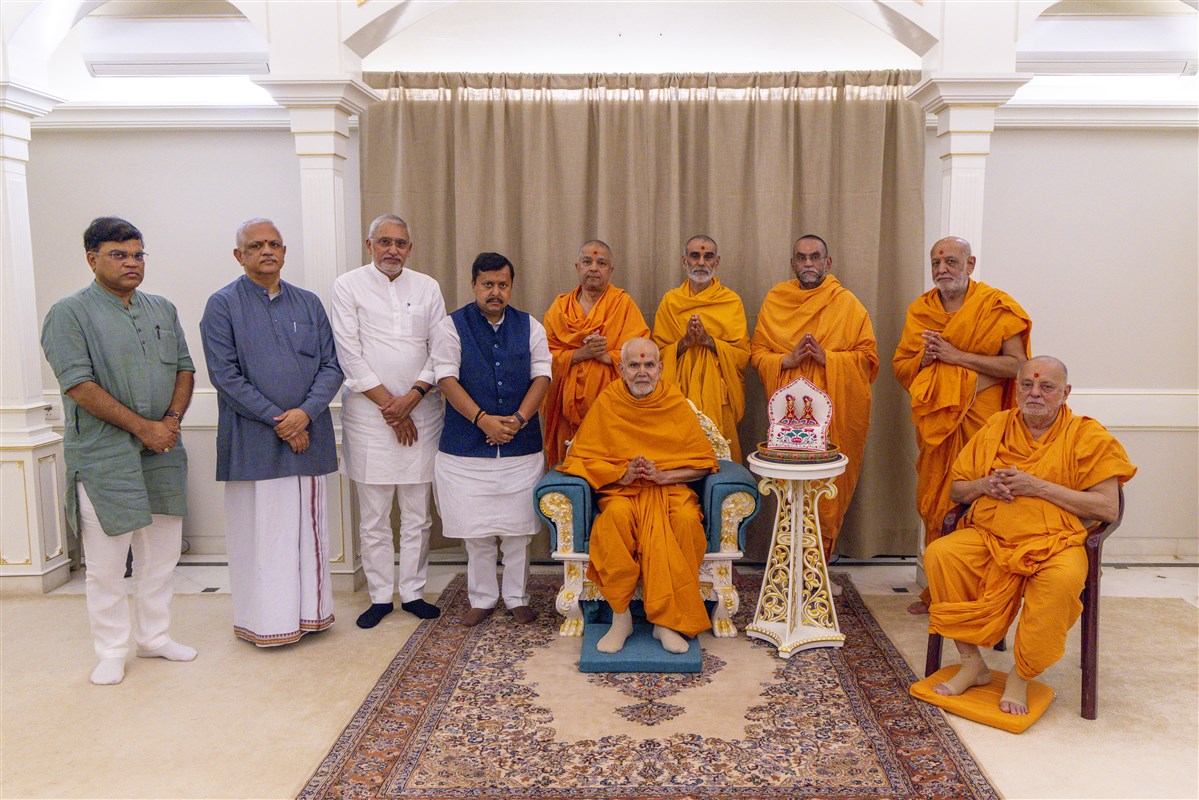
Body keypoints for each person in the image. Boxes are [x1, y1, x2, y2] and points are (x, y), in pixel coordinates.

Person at [924, 356, 1136, 715]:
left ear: (1065, 393)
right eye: (1026, 385)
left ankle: (1021, 676)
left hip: (1057, 544)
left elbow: (1107, 509)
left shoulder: (1088, 435)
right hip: (991, 536)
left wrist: (1036, 486)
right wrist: (985, 485)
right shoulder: (997, 426)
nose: (1034, 393)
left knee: (1063, 580)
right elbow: (958, 491)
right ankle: (972, 662)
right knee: (941, 554)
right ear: (1017, 387)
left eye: (1046, 386)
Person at [40, 216, 197, 685]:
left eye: (138, 254)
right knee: (108, 562)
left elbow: (185, 370)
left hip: (164, 449)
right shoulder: (68, 313)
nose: (132, 263)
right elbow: (79, 385)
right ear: (92, 259)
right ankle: (110, 648)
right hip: (105, 454)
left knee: (162, 554)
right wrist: (144, 428)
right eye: (120, 254)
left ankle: (155, 637)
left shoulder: (162, 309)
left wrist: (167, 424)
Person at [200, 218, 343, 646]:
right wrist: (281, 421)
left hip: (308, 438)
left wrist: (305, 414)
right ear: (238, 255)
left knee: (306, 534)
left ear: (284, 251)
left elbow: (332, 366)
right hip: (254, 441)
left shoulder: (308, 303)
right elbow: (225, 376)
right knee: (261, 536)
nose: (267, 251)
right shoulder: (222, 304)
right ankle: (265, 622)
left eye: (275, 244)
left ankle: (311, 616)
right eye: (256, 245)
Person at [893, 236, 1031, 614]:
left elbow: (1017, 366)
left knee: (981, 502)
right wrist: (927, 358)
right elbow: (901, 368)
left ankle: (982, 596)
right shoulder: (921, 311)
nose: (942, 269)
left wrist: (956, 357)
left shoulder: (995, 306)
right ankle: (938, 594)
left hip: (982, 422)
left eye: (951, 261)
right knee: (936, 502)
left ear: (970, 265)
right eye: (936, 262)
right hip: (937, 421)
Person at [559, 338, 718, 654]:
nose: (642, 372)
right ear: (621, 369)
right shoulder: (608, 402)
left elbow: (703, 464)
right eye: (634, 365)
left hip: (670, 491)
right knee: (614, 520)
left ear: (660, 368)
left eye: (648, 365)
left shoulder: (673, 402)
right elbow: (580, 459)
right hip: (623, 492)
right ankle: (621, 618)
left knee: (687, 521)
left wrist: (664, 476)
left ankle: (667, 623)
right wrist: (622, 474)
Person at [331, 214, 445, 628]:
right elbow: (349, 352)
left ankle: (413, 591)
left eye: (400, 243)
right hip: (368, 417)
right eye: (384, 242)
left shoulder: (428, 286)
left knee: (418, 512)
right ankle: (380, 596)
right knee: (375, 514)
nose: (392, 250)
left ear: (410, 248)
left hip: (423, 413)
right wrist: (390, 408)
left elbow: (441, 350)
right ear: (369, 245)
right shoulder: (347, 286)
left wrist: (410, 400)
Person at [430, 252, 552, 626]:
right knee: (477, 533)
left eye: (502, 285)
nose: (495, 292)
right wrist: (482, 420)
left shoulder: (530, 326)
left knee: (517, 533)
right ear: (474, 286)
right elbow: (446, 379)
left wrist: (517, 419)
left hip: (520, 445)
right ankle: (481, 598)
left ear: (511, 286)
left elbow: (542, 377)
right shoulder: (451, 326)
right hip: (466, 451)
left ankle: (517, 596)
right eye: (488, 285)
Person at [750, 235, 878, 562]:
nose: (808, 263)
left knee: (827, 492)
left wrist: (829, 359)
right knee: (790, 490)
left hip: (834, 421)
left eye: (815, 257)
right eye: (802, 257)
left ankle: (819, 566)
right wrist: (786, 361)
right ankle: (789, 563)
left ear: (828, 262)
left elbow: (868, 359)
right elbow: (757, 353)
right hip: (788, 417)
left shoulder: (846, 304)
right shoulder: (777, 299)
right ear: (793, 263)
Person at [542, 240, 650, 467]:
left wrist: (606, 356)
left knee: (612, 470)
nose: (593, 267)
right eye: (587, 261)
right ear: (577, 267)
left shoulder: (623, 304)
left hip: (612, 411)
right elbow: (543, 358)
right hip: (566, 412)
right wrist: (581, 353)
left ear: (610, 271)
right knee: (570, 474)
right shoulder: (560, 309)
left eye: (601, 263)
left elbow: (644, 353)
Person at [651, 234, 750, 461]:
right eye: (695, 256)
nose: (701, 263)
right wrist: (685, 342)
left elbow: (743, 356)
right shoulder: (671, 301)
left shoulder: (731, 301)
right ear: (684, 261)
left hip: (718, 395)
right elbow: (657, 355)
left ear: (717, 262)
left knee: (720, 458)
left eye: (708, 257)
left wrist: (710, 342)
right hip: (678, 394)